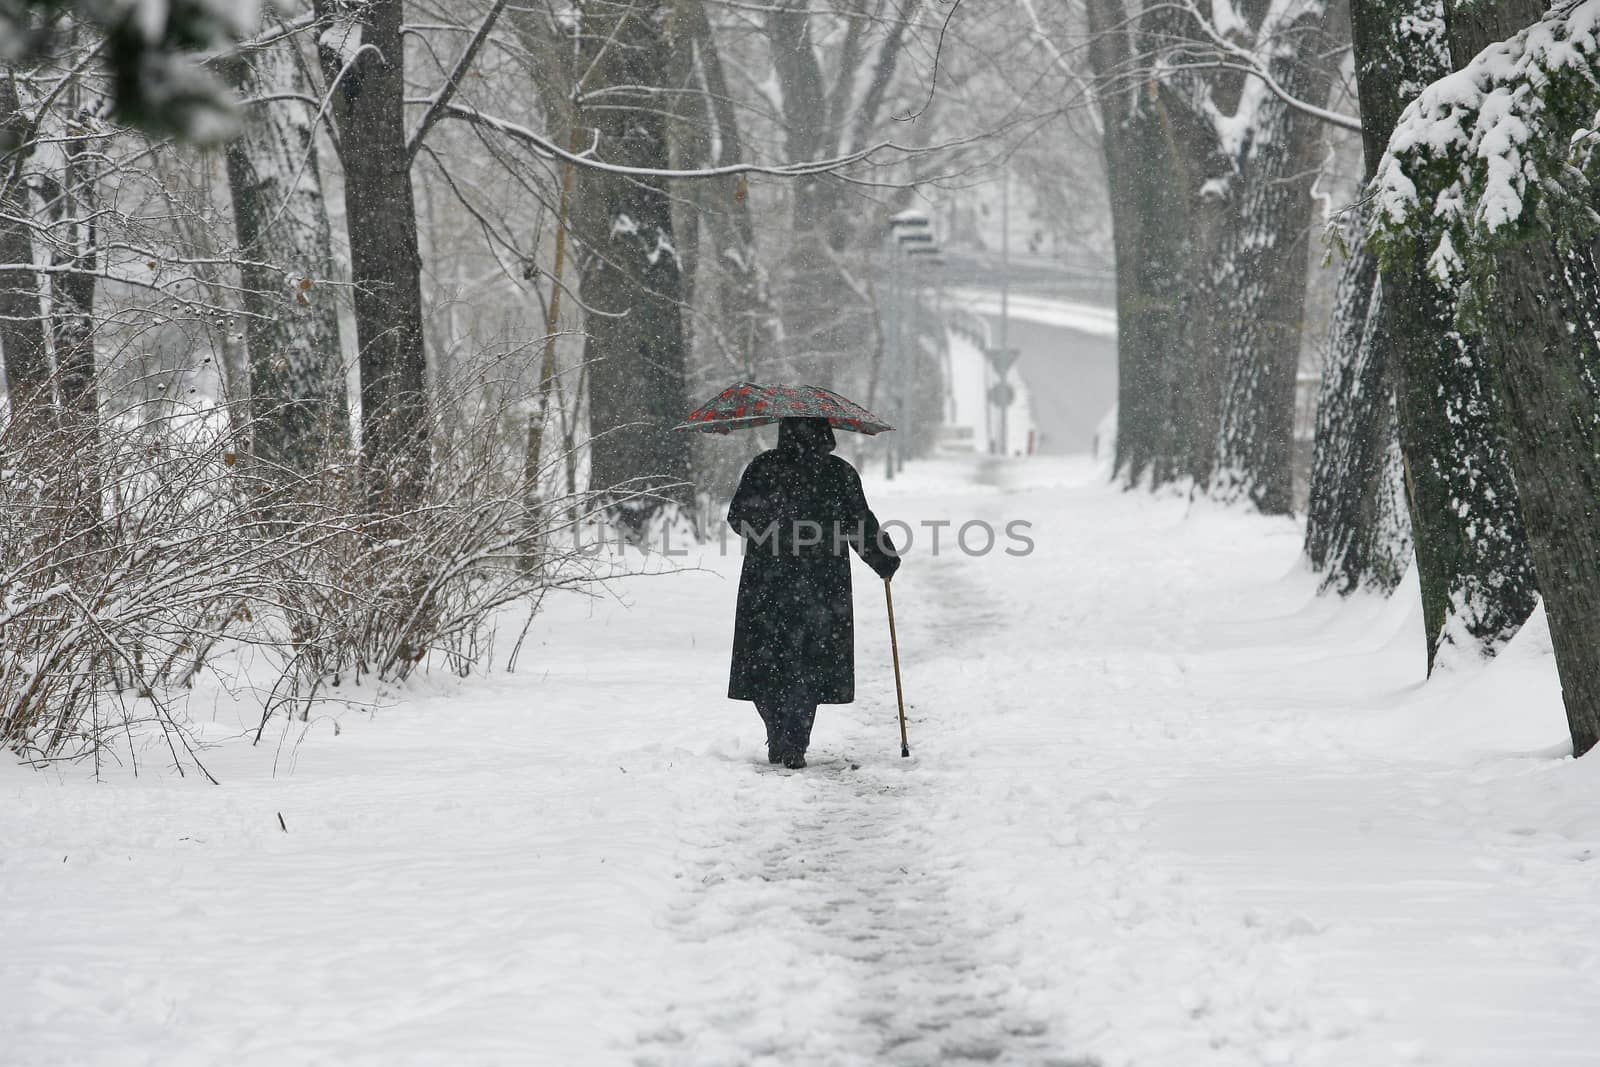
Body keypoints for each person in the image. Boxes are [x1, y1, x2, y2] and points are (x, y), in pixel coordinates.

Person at [726, 417, 901, 769]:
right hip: (821, 583)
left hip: (767, 582)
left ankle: (779, 733)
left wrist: (773, 527)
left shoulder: (763, 467)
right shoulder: (838, 472)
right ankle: (795, 739)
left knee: (768, 662)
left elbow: (737, 517)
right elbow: (859, 523)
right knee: (809, 663)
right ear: (827, 433)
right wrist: (883, 559)